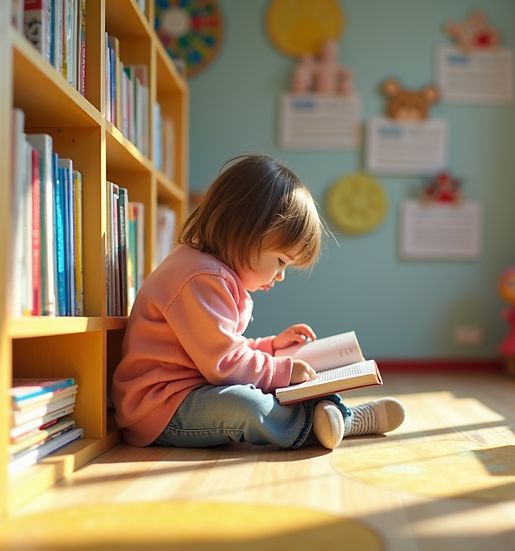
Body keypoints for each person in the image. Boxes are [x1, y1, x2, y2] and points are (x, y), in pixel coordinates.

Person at [111, 154, 405, 450]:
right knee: (246, 404)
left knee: (267, 389)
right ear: (244, 231)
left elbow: (219, 350)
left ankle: (327, 417)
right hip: (159, 408)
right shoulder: (200, 278)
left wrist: (271, 347)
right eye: (280, 261)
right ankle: (345, 419)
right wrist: (282, 370)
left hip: (189, 392)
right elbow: (224, 364)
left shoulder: (209, 272)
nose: (280, 276)